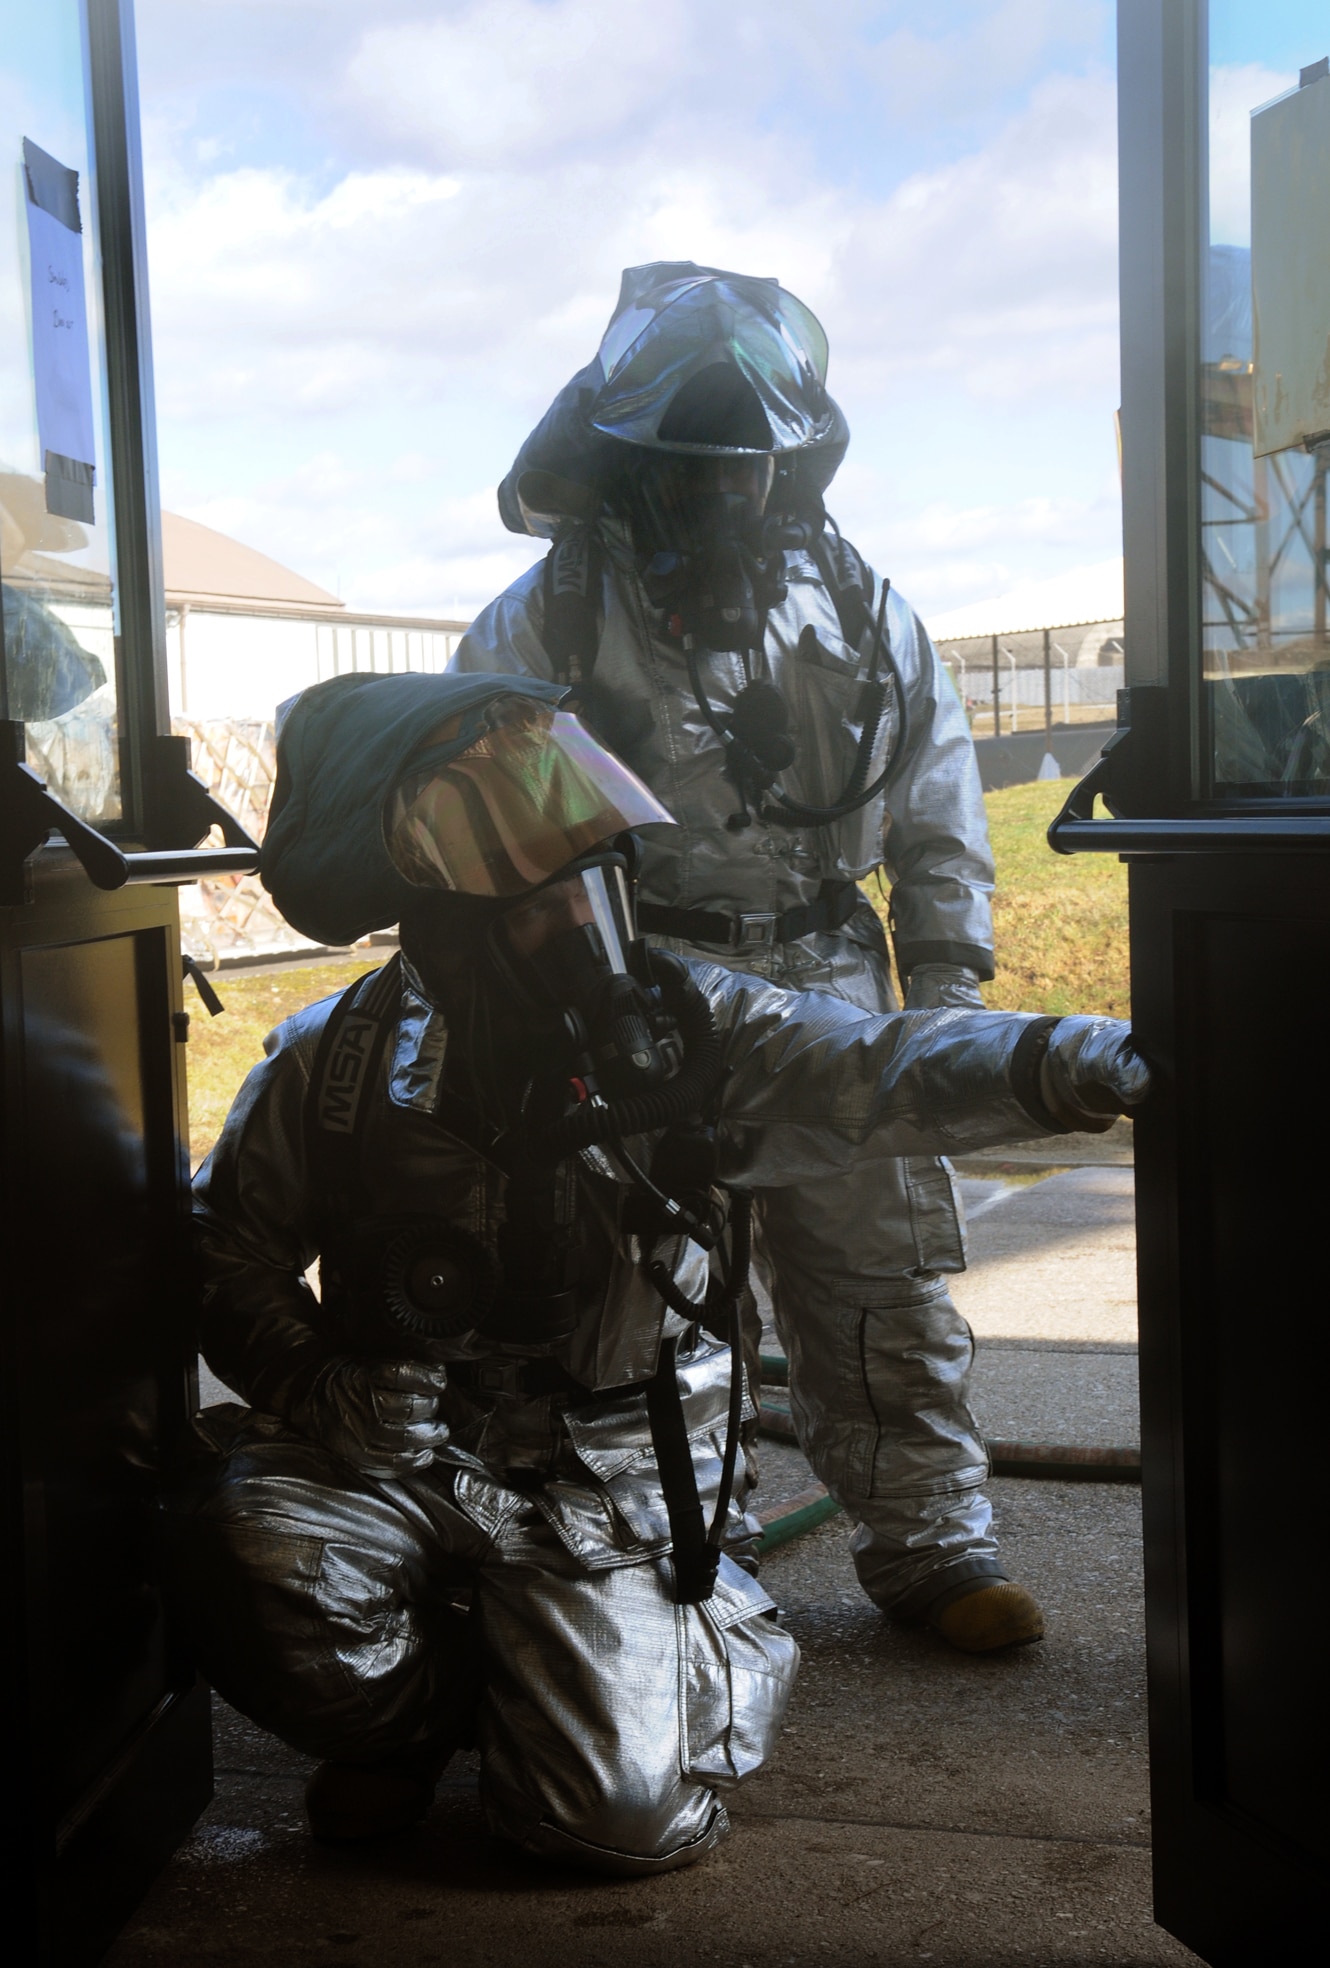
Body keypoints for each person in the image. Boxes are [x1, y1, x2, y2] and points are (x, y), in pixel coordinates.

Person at [164, 672, 1148, 1874]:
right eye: (539, 904)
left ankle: (621, 1665)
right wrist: (318, 1383)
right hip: (406, 1459)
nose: (585, 925)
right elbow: (219, 1249)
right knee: (239, 1543)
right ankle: (421, 1720)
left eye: (598, 882)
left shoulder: (694, 1031)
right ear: (443, 925)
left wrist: (1080, 1060)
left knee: (606, 1828)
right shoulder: (336, 1062)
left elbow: (870, 1063)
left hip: (613, 1480)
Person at [449, 261, 1042, 1650]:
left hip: (832, 984)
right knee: (618, 1305)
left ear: (786, 465)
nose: (720, 495)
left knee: (876, 1290)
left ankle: (930, 1551)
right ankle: (641, 1568)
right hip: (634, 1001)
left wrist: (947, 990)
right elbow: (477, 810)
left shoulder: (859, 616)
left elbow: (936, 793)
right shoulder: (544, 620)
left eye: (742, 467)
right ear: (624, 461)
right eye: (690, 467)